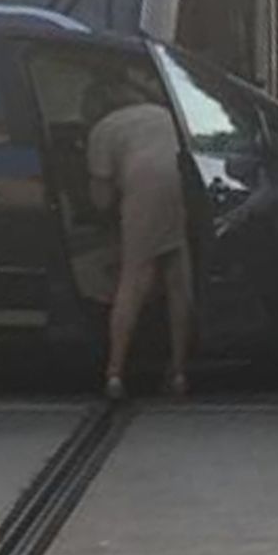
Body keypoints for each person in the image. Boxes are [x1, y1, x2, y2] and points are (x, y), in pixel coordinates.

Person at [85, 77, 193, 401]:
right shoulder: (161, 113)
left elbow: (101, 200)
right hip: (181, 182)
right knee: (178, 278)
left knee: (133, 279)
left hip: (142, 187)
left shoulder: (103, 129)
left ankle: (115, 373)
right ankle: (178, 372)